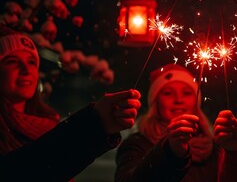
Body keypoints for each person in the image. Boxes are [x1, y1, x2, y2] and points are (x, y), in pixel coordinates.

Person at [0, 26, 142, 181]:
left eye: (31, 62)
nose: (26, 70)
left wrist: (99, 123)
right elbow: (21, 171)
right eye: (12, 61)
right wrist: (95, 124)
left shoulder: (48, 124)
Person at [115, 63, 237, 182]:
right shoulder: (138, 145)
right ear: (156, 102)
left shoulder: (215, 147)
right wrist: (170, 152)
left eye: (187, 93)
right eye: (168, 93)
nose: (178, 100)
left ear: (196, 101)